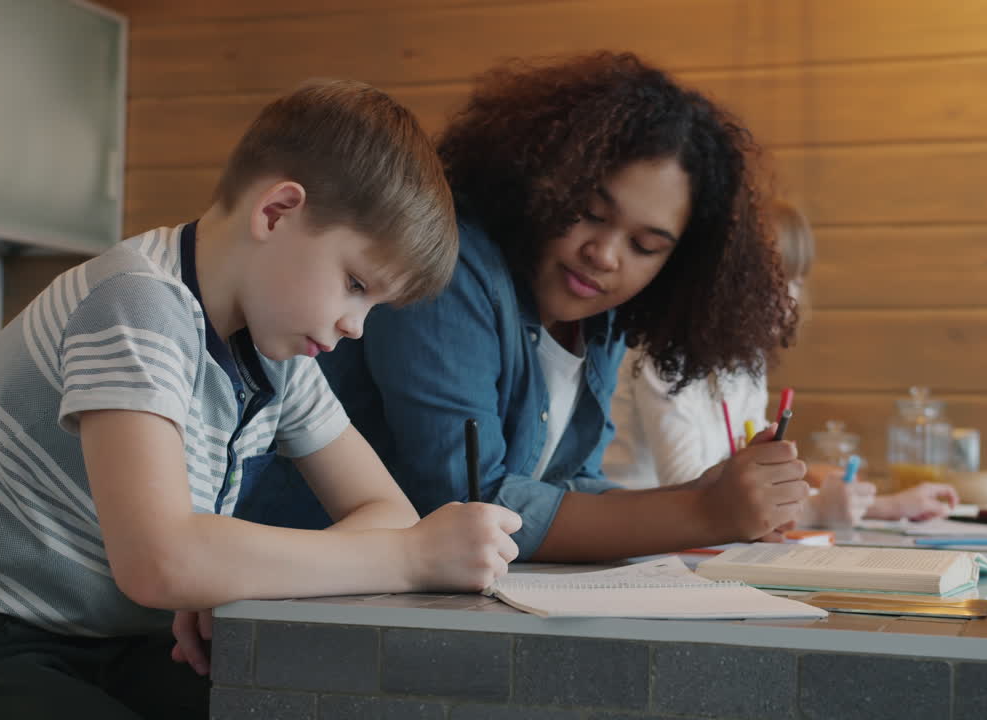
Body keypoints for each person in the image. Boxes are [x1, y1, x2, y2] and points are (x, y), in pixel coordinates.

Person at [0, 79, 520, 720]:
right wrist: (412, 559)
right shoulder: (135, 301)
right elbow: (161, 561)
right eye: (356, 284)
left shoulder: (280, 356)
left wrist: (232, 570)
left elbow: (384, 509)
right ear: (276, 212)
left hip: (100, 639)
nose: (356, 326)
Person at [241, 52, 808, 562]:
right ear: (546, 178)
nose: (605, 255)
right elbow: (468, 502)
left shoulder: (599, 316)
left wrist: (706, 494)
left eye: (645, 246)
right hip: (297, 590)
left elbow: (568, 484)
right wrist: (703, 513)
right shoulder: (451, 269)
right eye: (590, 213)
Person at [604, 201, 958, 527]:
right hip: (632, 541)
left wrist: (882, 506)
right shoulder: (663, 354)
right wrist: (818, 511)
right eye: (773, 281)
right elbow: (694, 491)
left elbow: (755, 485)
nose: (790, 297)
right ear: (720, 283)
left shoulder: (745, 364)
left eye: (796, 281)